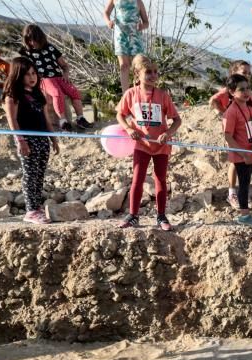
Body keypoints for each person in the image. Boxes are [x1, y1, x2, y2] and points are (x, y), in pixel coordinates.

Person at [115, 55, 182, 231]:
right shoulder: (130, 94)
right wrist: (129, 129)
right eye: (148, 72)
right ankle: (133, 215)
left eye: (155, 72)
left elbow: (177, 120)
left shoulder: (163, 95)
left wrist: (168, 133)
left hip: (161, 145)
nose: (153, 75)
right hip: (141, 145)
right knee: (137, 179)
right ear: (137, 74)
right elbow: (120, 115)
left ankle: (161, 216)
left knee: (160, 179)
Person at [4, 56, 60, 225]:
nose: (32, 77)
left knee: (39, 174)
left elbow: (47, 119)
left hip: (42, 139)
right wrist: (20, 141)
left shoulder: (38, 94)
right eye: (27, 74)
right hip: (27, 139)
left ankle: (36, 207)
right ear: (18, 75)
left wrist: (53, 139)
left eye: (34, 73)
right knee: (30, 174)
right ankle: (31, 211)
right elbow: (12, 120)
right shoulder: (13, 95)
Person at [19, 25, 93, 131]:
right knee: (56, 93)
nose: (32, 42)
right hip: (43, 78)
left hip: (59, 76)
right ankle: (63, 122)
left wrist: (66, 74)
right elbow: (22, 69)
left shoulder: (50, 48)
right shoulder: (25, 52)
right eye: (29, 40)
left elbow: (65, 65)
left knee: (74, 92)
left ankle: (80, 118)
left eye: (35, 39)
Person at [209, 60, 252, 209]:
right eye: (244, 72)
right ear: (233, 73)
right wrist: (223, 114)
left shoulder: (247, 92)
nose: (247, 75)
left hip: (246, 131)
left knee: (248, 162)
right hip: (233, 131)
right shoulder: (228, 91)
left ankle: (244, 191)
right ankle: (231, 193)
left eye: (249, 73)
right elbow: (213, 100)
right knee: (234, 162)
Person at [223, 74, 252, 227]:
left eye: (248, 88)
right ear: (232, 91)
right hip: (242, 156)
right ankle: (244, 215)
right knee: (244, 183)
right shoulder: (231, 111)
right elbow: (228, 136)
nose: (246, 92)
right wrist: (243, 154)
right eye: (242, 89)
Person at [103, 0, 149, 91]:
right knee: (124, 65)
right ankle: (125, 96)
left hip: (135, 36)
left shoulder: (138, 1)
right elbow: (106, 12)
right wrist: (108, 22)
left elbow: (146, 22)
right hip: (121, 35)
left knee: (139, 66)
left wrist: (142, 26)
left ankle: (139, 93)